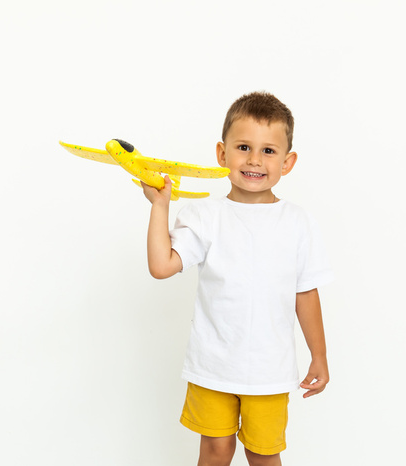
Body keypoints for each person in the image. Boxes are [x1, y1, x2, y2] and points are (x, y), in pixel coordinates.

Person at [142, 91, 333, 466]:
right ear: (222, 153)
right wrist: (160, 207)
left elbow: (305, 294)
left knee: (263, 454)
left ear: (287, 161)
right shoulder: (204, 216)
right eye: (244, 146)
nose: (254, 160)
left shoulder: (298, 223)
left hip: (269, 370)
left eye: (268, 151)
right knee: (215, 450)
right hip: (213, 365)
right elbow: (161, 266)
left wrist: (320, 356)